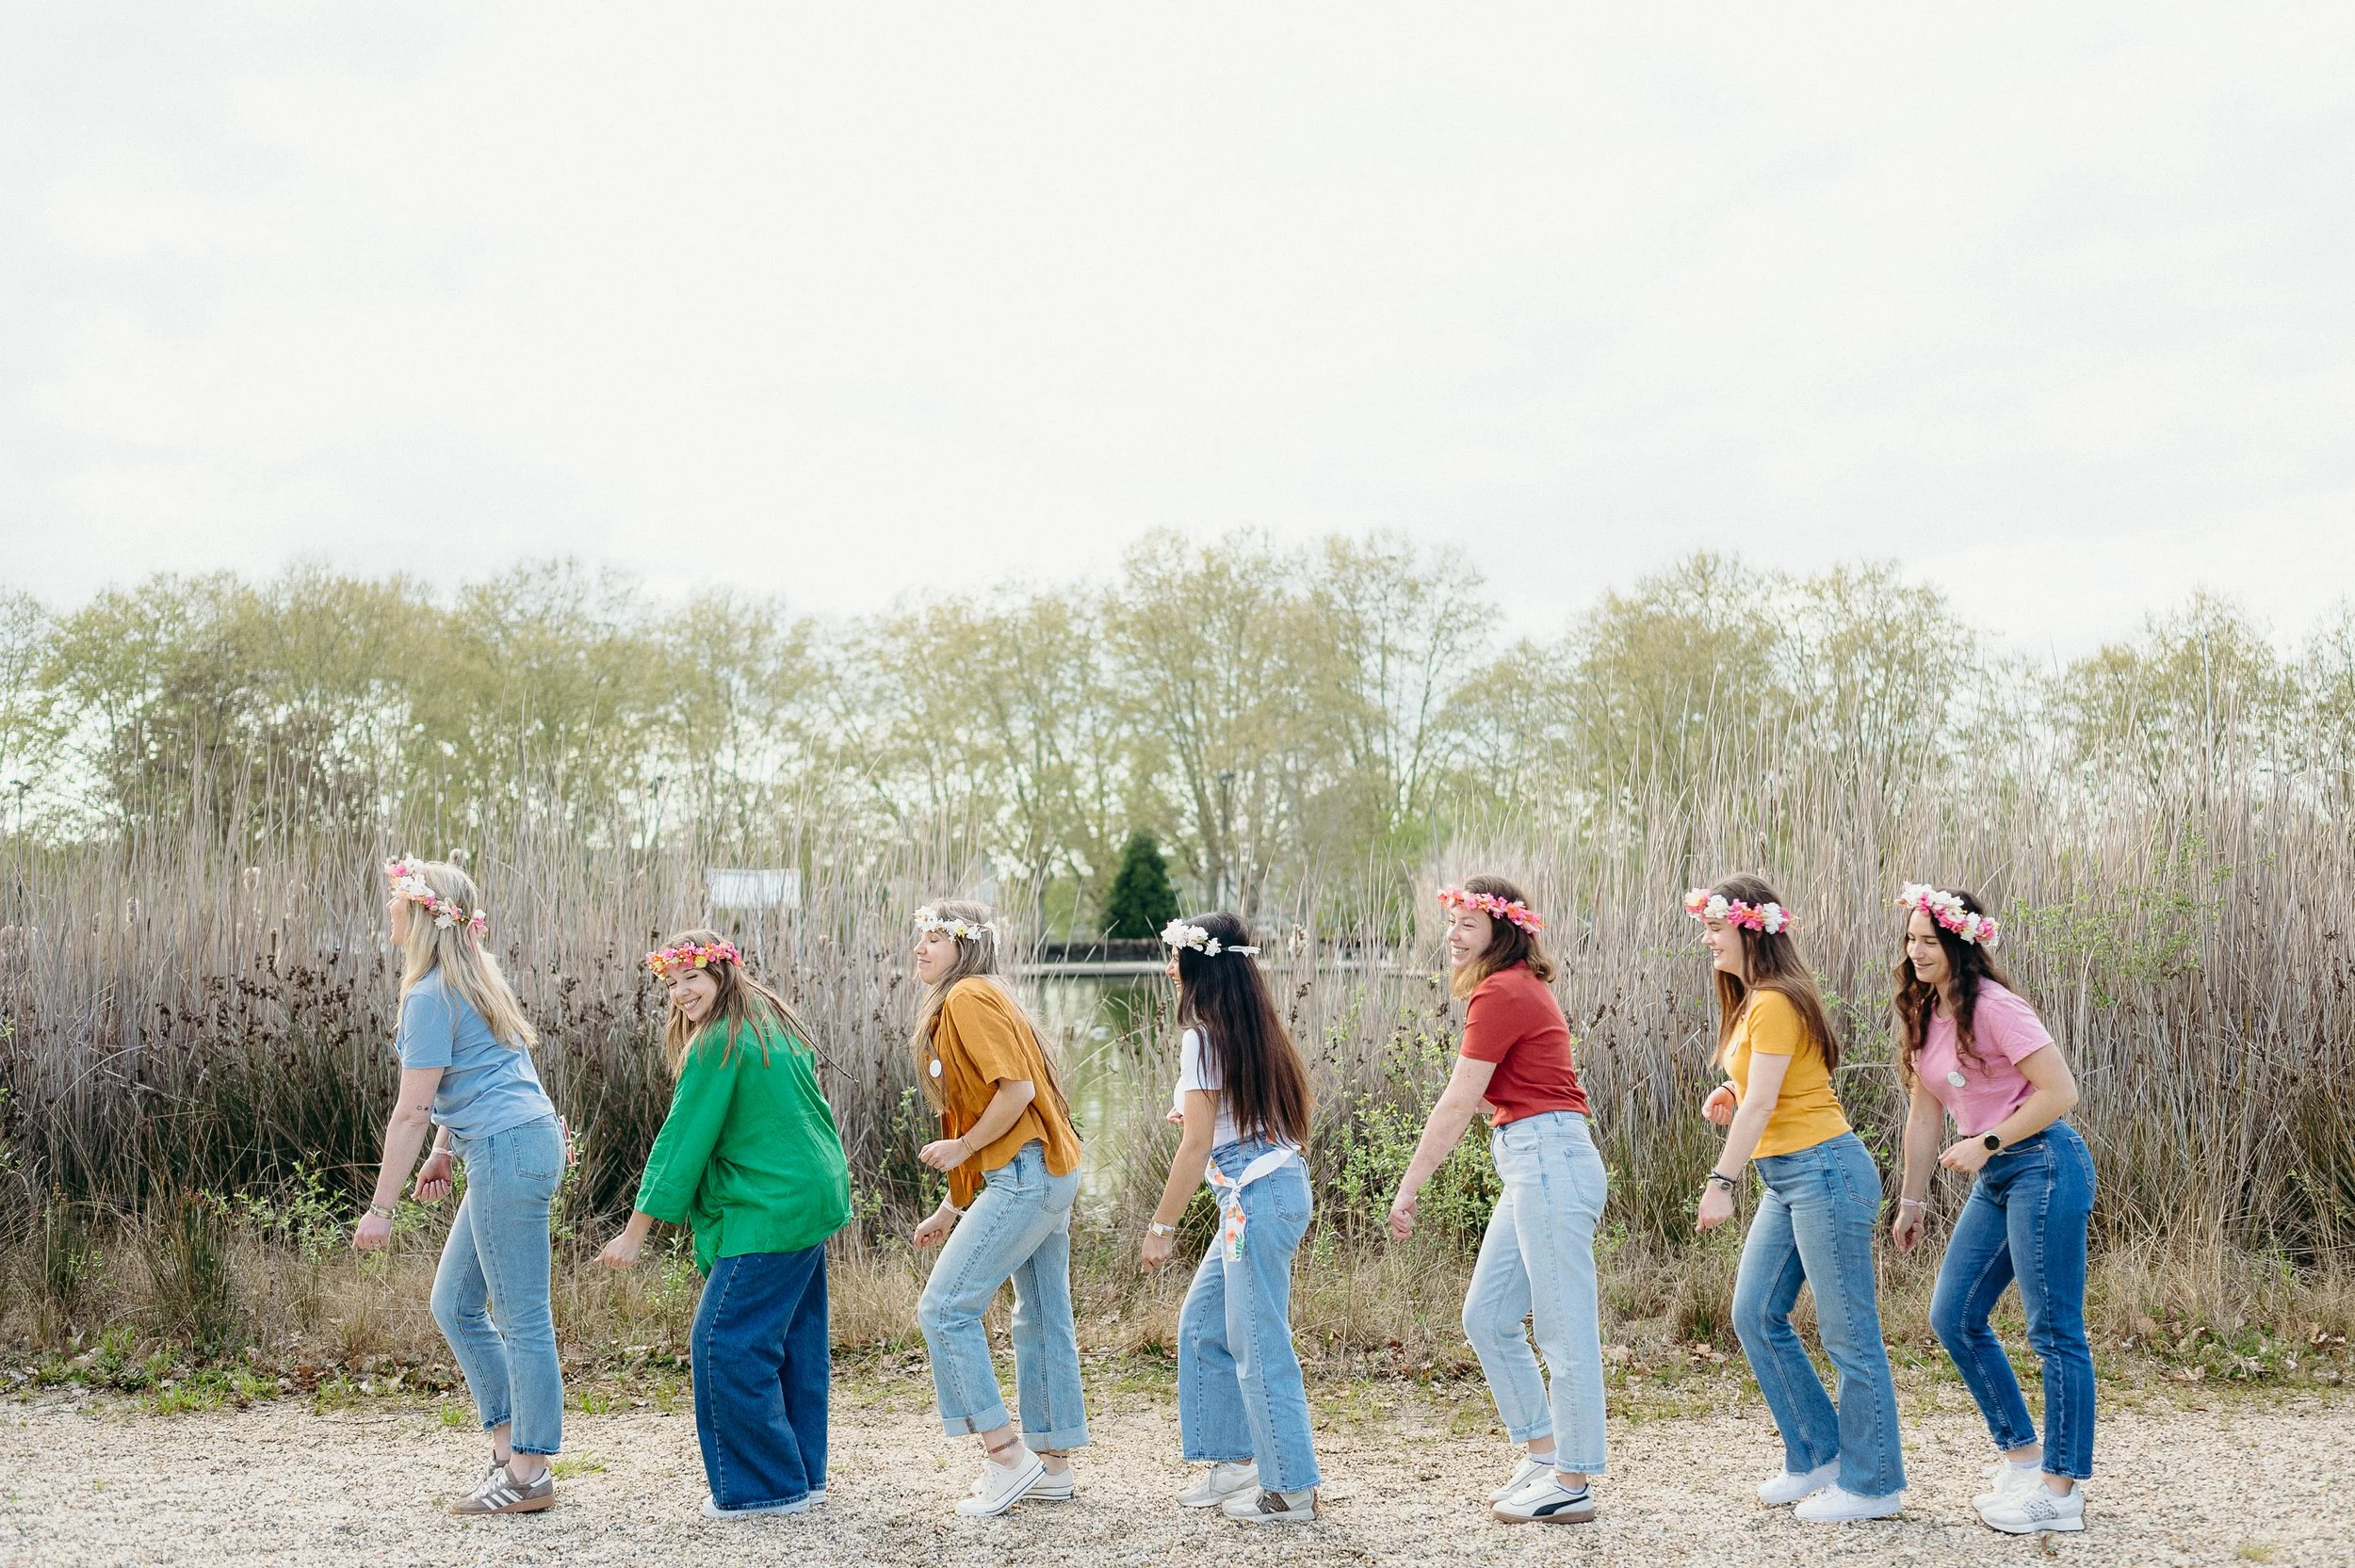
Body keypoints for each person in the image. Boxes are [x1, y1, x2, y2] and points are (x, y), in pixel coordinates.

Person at [597, 931, 853, 1519]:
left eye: (693, 978)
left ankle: (766, 1488)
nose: (682, 992)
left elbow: (681, 1143)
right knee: (793, 1339)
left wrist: (635, 1232)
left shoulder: (720, 1040)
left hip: (771, 1204)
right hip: (809, 1193)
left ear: (723, 974)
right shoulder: (769, 1018)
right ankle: (802, 1476)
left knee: (724, 1341)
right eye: (672, 982)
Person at [1387, 877, 1608, 1526]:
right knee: (1487, 1314)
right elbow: (1497, 1091)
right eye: (1450, 923)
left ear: (1501, 932)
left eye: (1466, 925)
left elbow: (1458, 1102)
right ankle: (1544, 1451)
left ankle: (1574, 1479)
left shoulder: (1502, 989)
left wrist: (1408, 1186)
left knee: (1564, 1330)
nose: (1452, 935)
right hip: (1533, 1158)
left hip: (1551, 1162)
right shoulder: (1512, 989)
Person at [351, 855, 566, 1515]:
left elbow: (411, 1109)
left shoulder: (429, 994)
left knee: (523, 1315)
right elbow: (476, 1078)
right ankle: (508, 1448)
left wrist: (380, 1208)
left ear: (421, 912)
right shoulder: (472, 979)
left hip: (508, 1148)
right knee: (455, 1303)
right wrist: (445, 1150)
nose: (389, 907)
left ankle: (529, 1473)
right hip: (513, 1143)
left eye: (396, 899)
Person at [1688, 876, 1907, 1522]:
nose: (1706, 939)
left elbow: (1766, 1100)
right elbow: (1755, 1085)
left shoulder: (1777, 999)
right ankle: (1817, 1455)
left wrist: (1721, 1181)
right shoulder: (1755, 999)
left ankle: (1875, 1484)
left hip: (1824, 1170)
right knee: (1754, 1312)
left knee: (1848, 1331)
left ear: (1748, 929)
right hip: (1789, 1174)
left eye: (1713, 928)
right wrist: (1729, 1089)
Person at [1889, 883, 2093, 1535]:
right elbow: (1924, 1114)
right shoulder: (1927, 1013)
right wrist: (1912, 1198)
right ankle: (2023, 1457)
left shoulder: (1998, 1008)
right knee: (1953, 1314)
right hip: (2000, 1174)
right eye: (1911, 939)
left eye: (1928, 939)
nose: (1916, 950)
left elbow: (2061, 1090)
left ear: (1959, 942)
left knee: (2055, 1328)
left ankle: (2060, 1492)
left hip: (2045, 1164)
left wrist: (1987, 1141)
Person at [905, 901, 1091, 1516]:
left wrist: (961, 1148)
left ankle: (1006, 1456)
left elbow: (1017, 1092)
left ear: (966, 946)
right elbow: (975, 1108)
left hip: (1025, 1176)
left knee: (945, 1308)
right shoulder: (986, 994)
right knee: (1040, 1314)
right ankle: (1051, 1465)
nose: (922, 948)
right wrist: (952, 1206)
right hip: (1046, 1172)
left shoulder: (967, 998)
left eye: (936, 938)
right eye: (920, 938)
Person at [1141, 913, 1321, 1525]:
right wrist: (1200, 1124)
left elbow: (1196, 1147)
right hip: (1266, 1193)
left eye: (1176, 957)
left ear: (1201, 966)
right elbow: (1222, 1121)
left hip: (1255, 1200)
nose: (1170, 968)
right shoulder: (1245, 1029)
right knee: (1203, 1322)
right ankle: (1238, 1461)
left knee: (1260, 1342)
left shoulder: (1204, 1036)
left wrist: (1160, 1227)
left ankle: (1291, 1489)